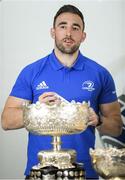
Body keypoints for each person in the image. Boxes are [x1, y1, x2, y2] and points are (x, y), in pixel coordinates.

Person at [1, 4, 122, 179]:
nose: (68, 33)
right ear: (53, 32)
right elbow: (6, 121)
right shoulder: (32, 72)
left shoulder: (100, 74)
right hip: (40, 173)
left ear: (83, 36)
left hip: (84, 173)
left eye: (75, 28)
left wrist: (98, 120)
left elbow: (117, 127)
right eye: (62, 26)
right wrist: (36, 110)